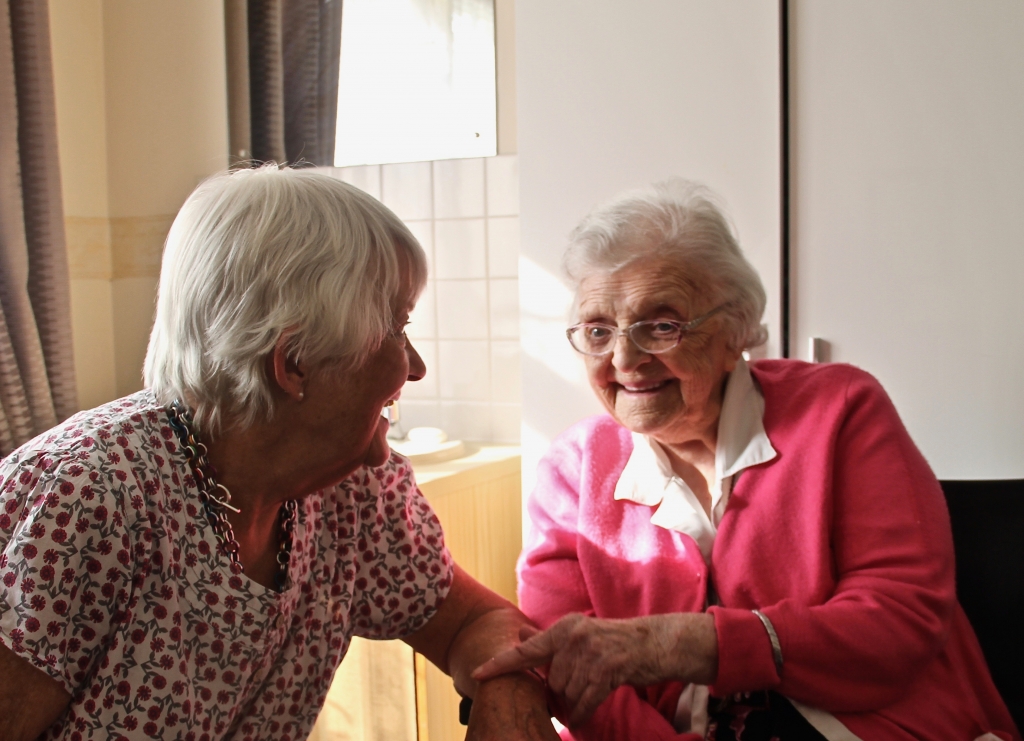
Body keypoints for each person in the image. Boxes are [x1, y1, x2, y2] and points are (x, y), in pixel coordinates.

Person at [0, 166, 557, 741]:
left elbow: (474, 622)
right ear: (293, 364)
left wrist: (508, 691)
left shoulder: (353, 489)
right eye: (395, 328)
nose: (414, 366)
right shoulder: (87, 499)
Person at [473, 179, 1020, 741]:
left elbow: (898, 624)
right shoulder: (572, 471)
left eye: (661, 325)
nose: (625, 359)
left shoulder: (842, 411)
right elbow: (578, 675)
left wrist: (684, 645)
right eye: (598, 330)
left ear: (735, 328)